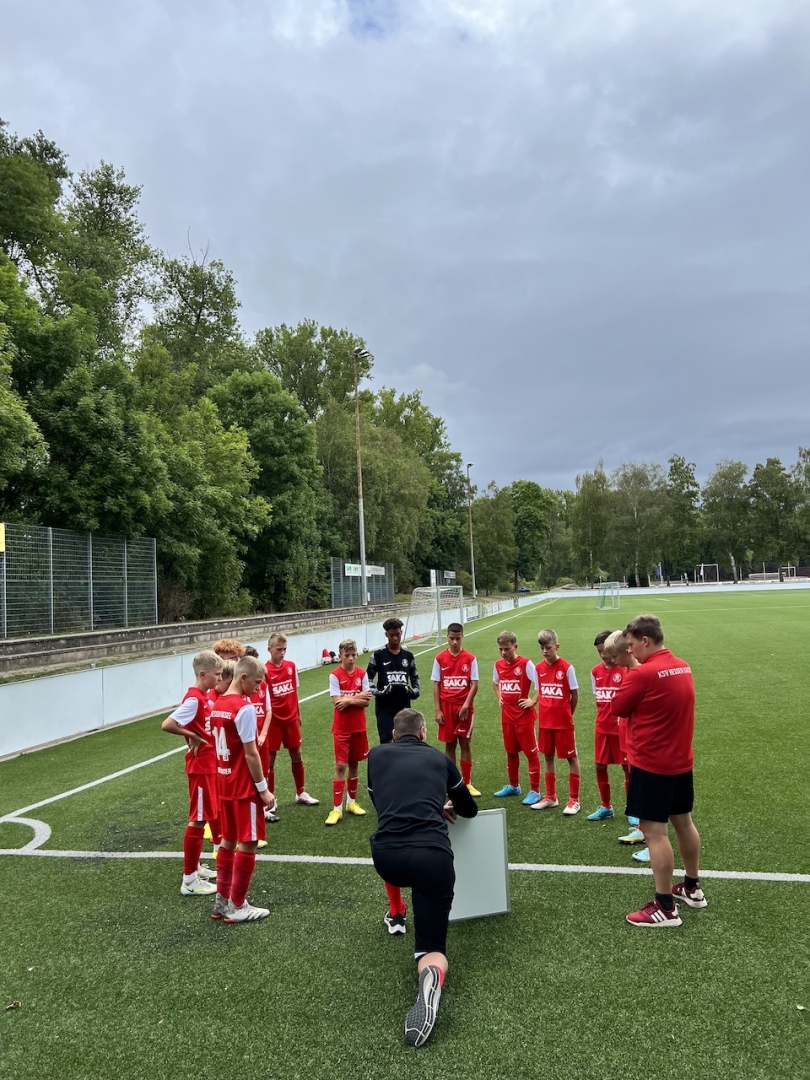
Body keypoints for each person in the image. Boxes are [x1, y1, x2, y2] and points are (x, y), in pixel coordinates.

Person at [366, 708, 478, 1048]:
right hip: (432, 857)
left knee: (396, 854)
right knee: (432, 947)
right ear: (424, 732)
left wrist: (425, 804)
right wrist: (437, 806)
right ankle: (429, 973)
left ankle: (396, 911)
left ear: (394, 735)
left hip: (387, 858)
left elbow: (382, 801)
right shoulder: (440, 759)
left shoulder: (376, 756)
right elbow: (469, 809)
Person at [611, 614, 707, 927]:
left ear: (645, 640)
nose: (629, 650)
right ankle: (691, 888)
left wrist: (628, 670)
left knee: (655, 834)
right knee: (684, 823)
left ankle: (665, 907)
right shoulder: (683, 665)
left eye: (631, 644)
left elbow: (617, 708)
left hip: (652, 764)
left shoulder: (642, 673)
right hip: (680, 761)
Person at [209, 654, 277, 923]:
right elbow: (251, 753)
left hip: (224, 783)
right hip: (243, 786)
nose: (259, 689)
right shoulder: (244, 707)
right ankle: (237, 905)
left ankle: (221, 901)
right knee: (248, 842)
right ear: (244, 677)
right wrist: (263, 788)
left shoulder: (218, 704)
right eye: (257, 683)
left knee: (227, 840)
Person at [161, 650, 223, 897]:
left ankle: (195, 867)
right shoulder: (195, 699)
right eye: (217, 674)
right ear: (203, 674)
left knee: (203, 817)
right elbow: (168, 724)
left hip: (208, 765)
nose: (220, 679)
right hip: (200, 767)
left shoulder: (204, 697)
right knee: (197, 819)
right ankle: (189, 880)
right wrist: (192, 736)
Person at [263, 632, 319, 812]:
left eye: (284, 649)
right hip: (273, 721)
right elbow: (264, 699)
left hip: (291, 719)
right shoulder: (264, 671)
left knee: (296, 753)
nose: (282, 653)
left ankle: (301, 792)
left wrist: (298, 714)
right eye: (279, 649)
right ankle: (270, 798)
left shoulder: (291, 666)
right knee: (270, 758)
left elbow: (294, 692)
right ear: (269, 649)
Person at [532, 629, 581, 814]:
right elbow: (540, 692)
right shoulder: (538, 668)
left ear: (557, 646)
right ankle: (551, 797)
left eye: (548, 647)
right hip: (545, 722)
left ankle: (574, 800)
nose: (545, 651)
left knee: (571, 757)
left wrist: (567, 714)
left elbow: (574, 695)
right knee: (547, 756)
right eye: (542, 648)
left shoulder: (567, 667)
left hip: (563, 723)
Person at [492, 631, 542, 805]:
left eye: (507, 649)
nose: (503, 652)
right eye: (500, 649)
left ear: (515, 646)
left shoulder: (526, 664)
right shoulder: (498, 665)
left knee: (531, 754)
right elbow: (495, 682)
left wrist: (533, 701)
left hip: (524, 718)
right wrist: (499, 696)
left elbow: (541, 683)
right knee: (511, 752)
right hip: (507, 716)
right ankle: (514, 786)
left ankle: (535, 790)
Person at [326, 639, 372, 826]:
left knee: (354, 764)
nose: (351, 658)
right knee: (340, 766)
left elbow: (367, 701)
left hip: (359, 727)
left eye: (353, 655)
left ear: (357, 655)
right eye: (347, 655)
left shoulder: (362, 674)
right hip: (342, 728)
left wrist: (349, 700)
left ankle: (351, 802)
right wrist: (357, 697)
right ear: (340, 656)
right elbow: (337, 703)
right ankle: (336, 808)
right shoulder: (334, 675)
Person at [431, 623, 480, 796]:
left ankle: (467, 783)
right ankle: (452, 784)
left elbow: (474, 684)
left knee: (465, 743)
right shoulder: (439, 658)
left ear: (462, 637)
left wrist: (466, 705)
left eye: (457, 639)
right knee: (449, 744)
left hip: (464, 706)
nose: (454, 642)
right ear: (447, 637)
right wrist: (438, 710)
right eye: (451, 638)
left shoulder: (470, 658)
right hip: (446, 706)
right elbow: (436, 684)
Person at [586, 630, 630, 822]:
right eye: (599, 651)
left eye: (605, 650)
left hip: (622, 729)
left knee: (627, 767)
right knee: (599, 765)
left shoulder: (626, 670)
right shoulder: (595, 672)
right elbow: (598, 698)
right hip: (602, 727)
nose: (603, 655)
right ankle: (606, 806)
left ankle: (632, 809)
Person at [366, 617, 420, 744]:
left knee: (404, 740)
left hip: (403, 704)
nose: (395, 638)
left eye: (398, 634)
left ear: (401, 633)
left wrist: (414, 691)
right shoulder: (378, 655)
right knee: (386, 741)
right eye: (391, 635)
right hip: (384, 706)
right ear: (386, 635)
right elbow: (367, 678)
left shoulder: (408, 656)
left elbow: (415, 677)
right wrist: (378, 692)